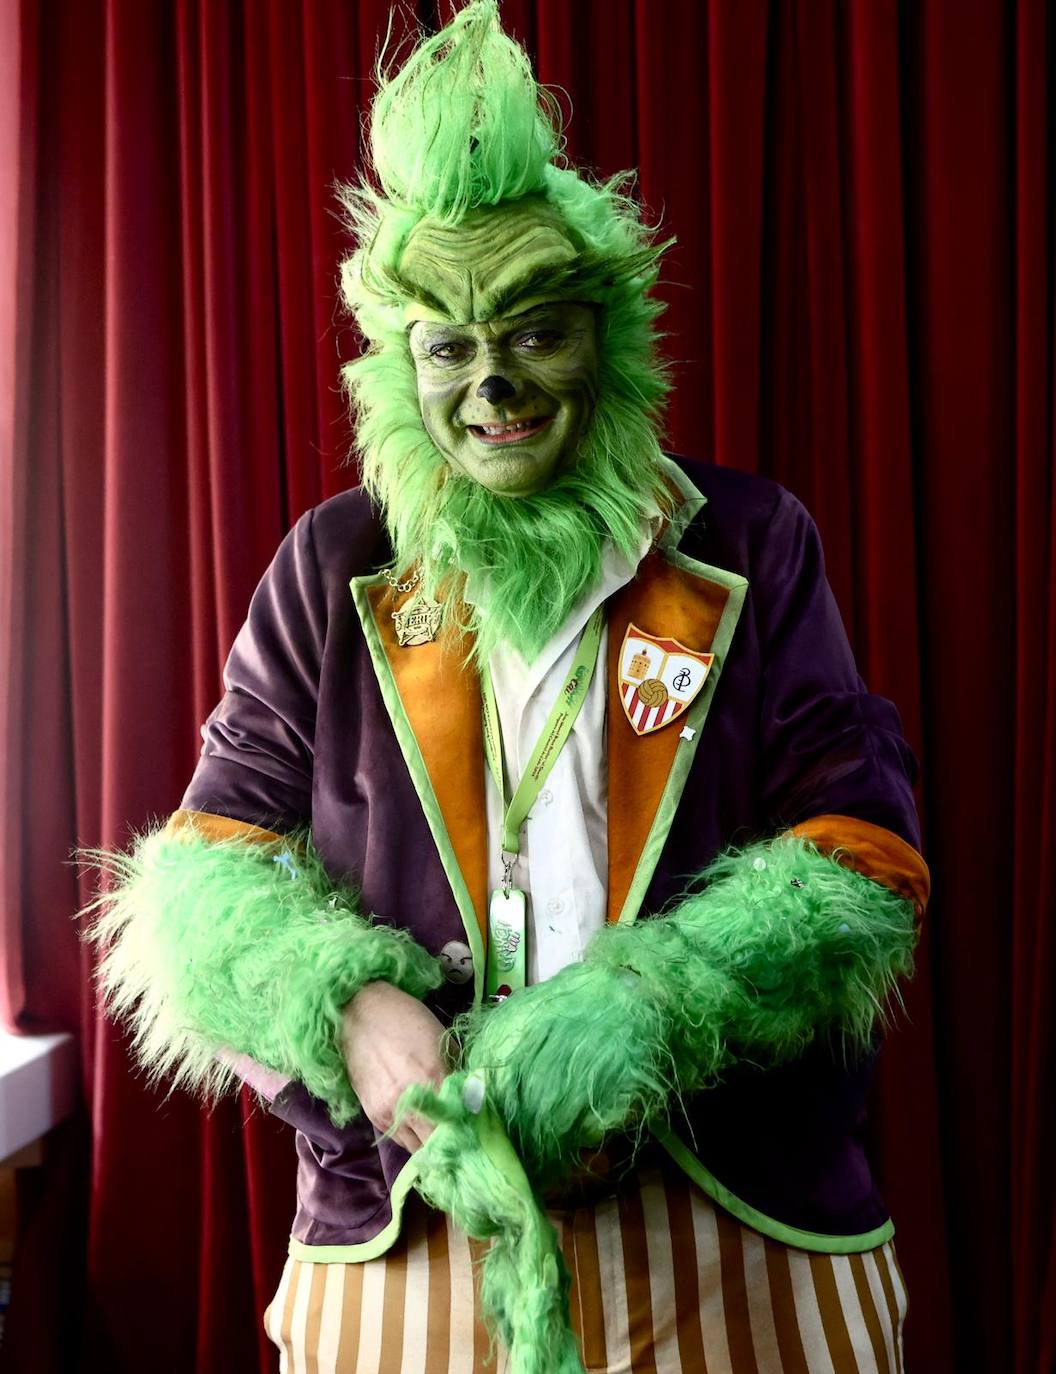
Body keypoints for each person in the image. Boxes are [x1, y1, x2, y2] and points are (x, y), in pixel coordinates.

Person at [88, 3, 930, 1370]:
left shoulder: (750, 544)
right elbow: (200, 877)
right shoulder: (334, 565)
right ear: (398, 365)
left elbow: (865, 855)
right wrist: (346, 1002)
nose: (494, 388)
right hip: (414, 1229)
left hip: (726, 1233)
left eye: (534, 332)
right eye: (449, 350)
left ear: (607, 337)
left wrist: (648, 1008)